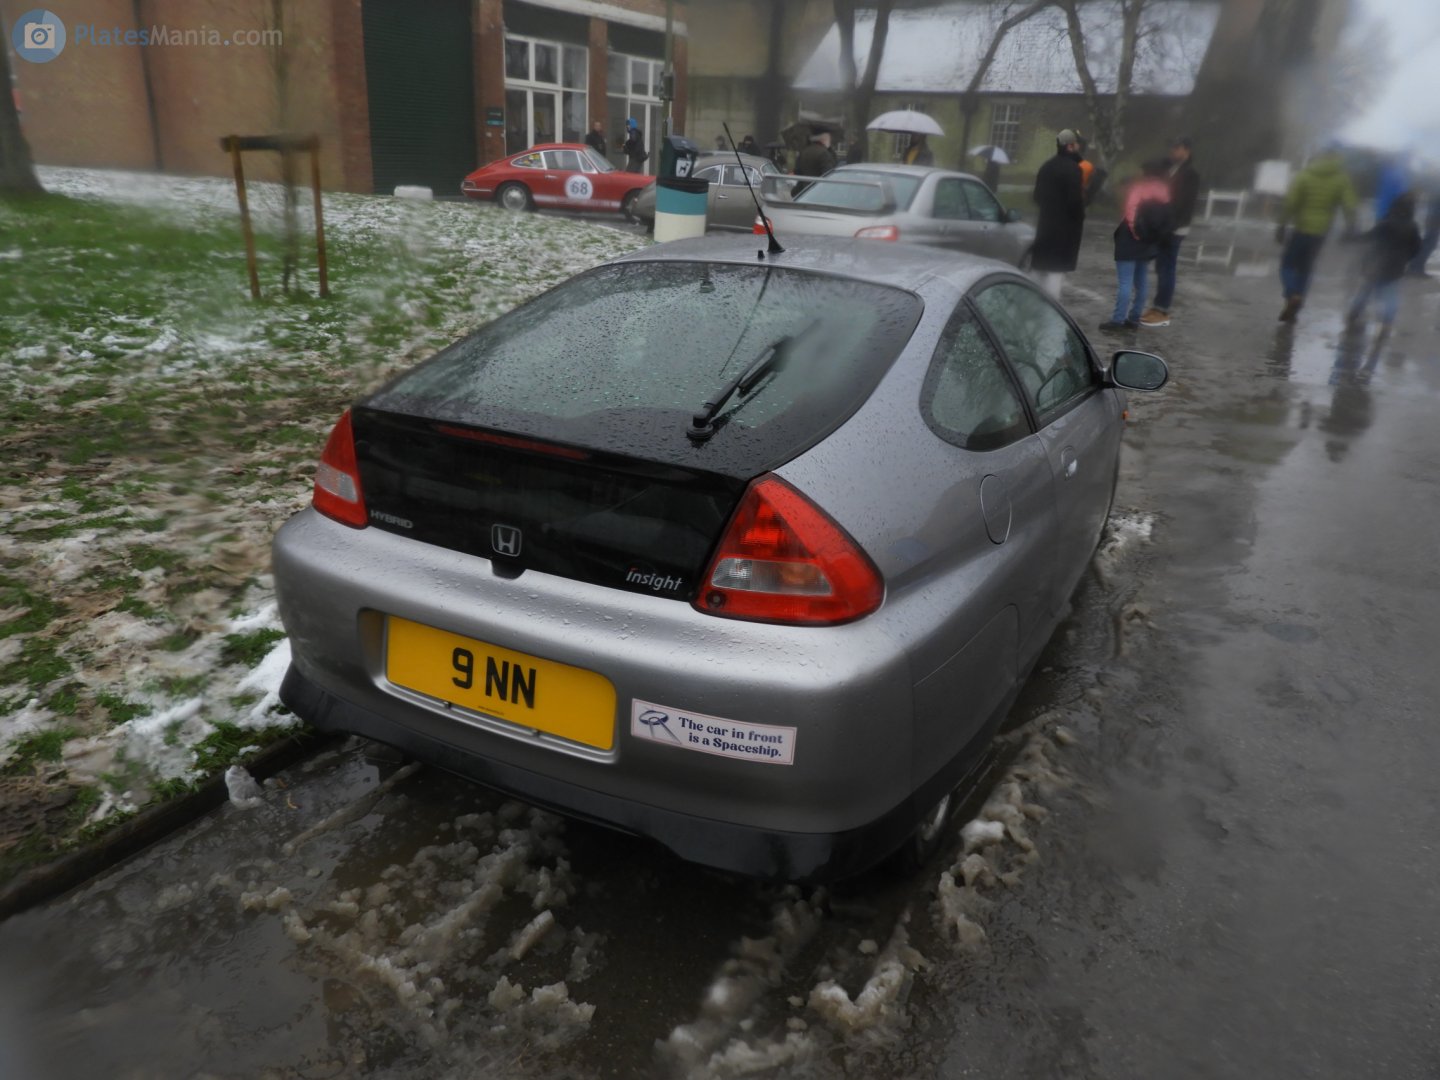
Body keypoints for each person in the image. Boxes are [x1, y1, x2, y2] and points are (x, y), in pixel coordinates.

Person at [1275, 143, 1358, 322]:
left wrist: (1282, 224)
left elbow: (1291, 202)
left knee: (1287, 265)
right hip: (1321, 232)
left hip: (1301, 228)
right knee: (1306, 268)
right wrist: (1351, 226)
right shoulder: (1341, 178)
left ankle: (1291, 295)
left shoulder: (1305, 174)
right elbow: (1349, 205)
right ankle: (1298, 299)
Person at [1099, 161, 1175, 332]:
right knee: (1142, 282)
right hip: (1148, 243)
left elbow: (1130, 212)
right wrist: (1151, 238)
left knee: (1125, 282)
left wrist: (1135, 234)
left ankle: (1117, 320)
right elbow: (1167, 218)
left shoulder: (1139, 189)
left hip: (1131, 240)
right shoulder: (1164, 191)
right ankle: (1134, 318)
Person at [1140, 136, 1201, 327]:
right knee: (1161, 266)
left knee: (1167, 267)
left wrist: (1169, 225)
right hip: (1164, 225)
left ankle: (1163, 309)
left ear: (1187, 150)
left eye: (1178, 148)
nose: (1173, 152)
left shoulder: (1190, 174)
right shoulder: (1170, 169)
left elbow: (1183, 204)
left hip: (1174, 228)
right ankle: (1158, 306)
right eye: (1172, 148)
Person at [1346, 192, 1421, 332]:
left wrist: (1354, 237)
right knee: (1391, 296)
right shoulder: (1413, 226)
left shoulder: (1386, 222)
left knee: (1365, 291)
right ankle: (1387, 323)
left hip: (1378, 263)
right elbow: (1416, 248)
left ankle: (1354, 314)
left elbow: (1370, 237)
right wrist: (1406, 258)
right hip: (1397, 266)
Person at [1030, 129, 1087, 301]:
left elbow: (1037, 197)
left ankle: (1028, 308)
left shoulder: (1046, 166)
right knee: (1055, 274)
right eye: (1077, 144)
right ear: (1070, 146)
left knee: (1038, 271)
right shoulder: (1073, 169)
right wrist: (1081, 213)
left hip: (1044, 227)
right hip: (1064, 231)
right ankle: (1050, 313)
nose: (1079, 147)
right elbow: (1075, 203)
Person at [1406, 178, 1439, 277]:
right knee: (1429, 242)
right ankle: (1415, 268)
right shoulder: (1436, 185)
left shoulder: (1434, 184)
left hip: (1433, 215)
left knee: (1429, 242)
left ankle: (1416, 267)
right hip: (1434, 216)